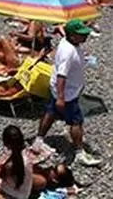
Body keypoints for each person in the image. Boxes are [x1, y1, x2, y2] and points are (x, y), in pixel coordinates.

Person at [33, 20, 102, 166]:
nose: (86, 36)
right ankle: (79, 152)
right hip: (67, 93)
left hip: (61, 90)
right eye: (81, 34)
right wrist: (61, 97)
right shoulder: (68, 51)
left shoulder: (67, 42)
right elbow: (61, 76)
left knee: (51, 113)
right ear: (72, 35)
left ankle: (39, 140)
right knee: (76, 121)